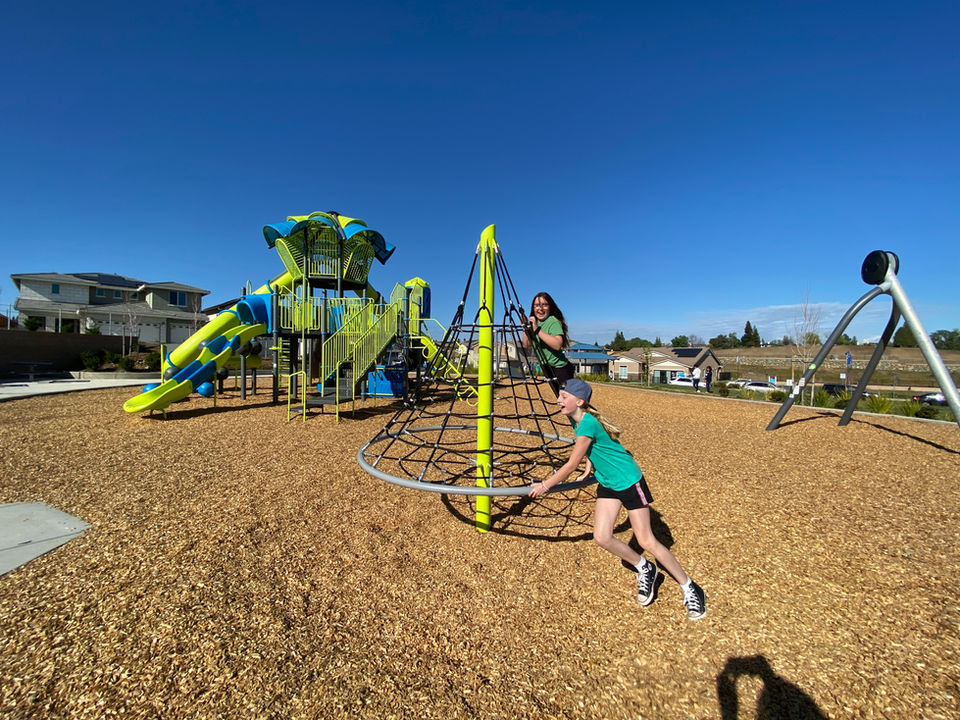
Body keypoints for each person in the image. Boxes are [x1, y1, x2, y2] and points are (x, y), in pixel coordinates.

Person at [529, 379, 706, 620]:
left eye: (563, 397)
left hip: (629, 481)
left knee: (646, 540)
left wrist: (545, 485)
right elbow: (594, 447)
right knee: (602, 537)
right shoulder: (576, 418)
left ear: (579, 401)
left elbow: (571, 464)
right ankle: (645, 568)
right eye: (560, 396)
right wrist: (590, 467)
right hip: (609, 482)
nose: (558, 400)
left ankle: (690, 587)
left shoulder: (587, 423)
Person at [521, 291, 574, 395]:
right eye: (537, 305)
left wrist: (537, 329)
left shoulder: (552, 321)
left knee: (568, 399)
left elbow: (557, 344)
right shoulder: (535, 323)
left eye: (544, 305)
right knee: (561, 398)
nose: (540, 308)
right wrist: (525, 327)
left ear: (550, 307)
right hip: (547, 368)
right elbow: (526, 344)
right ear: (533, 308)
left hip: (560, 368)